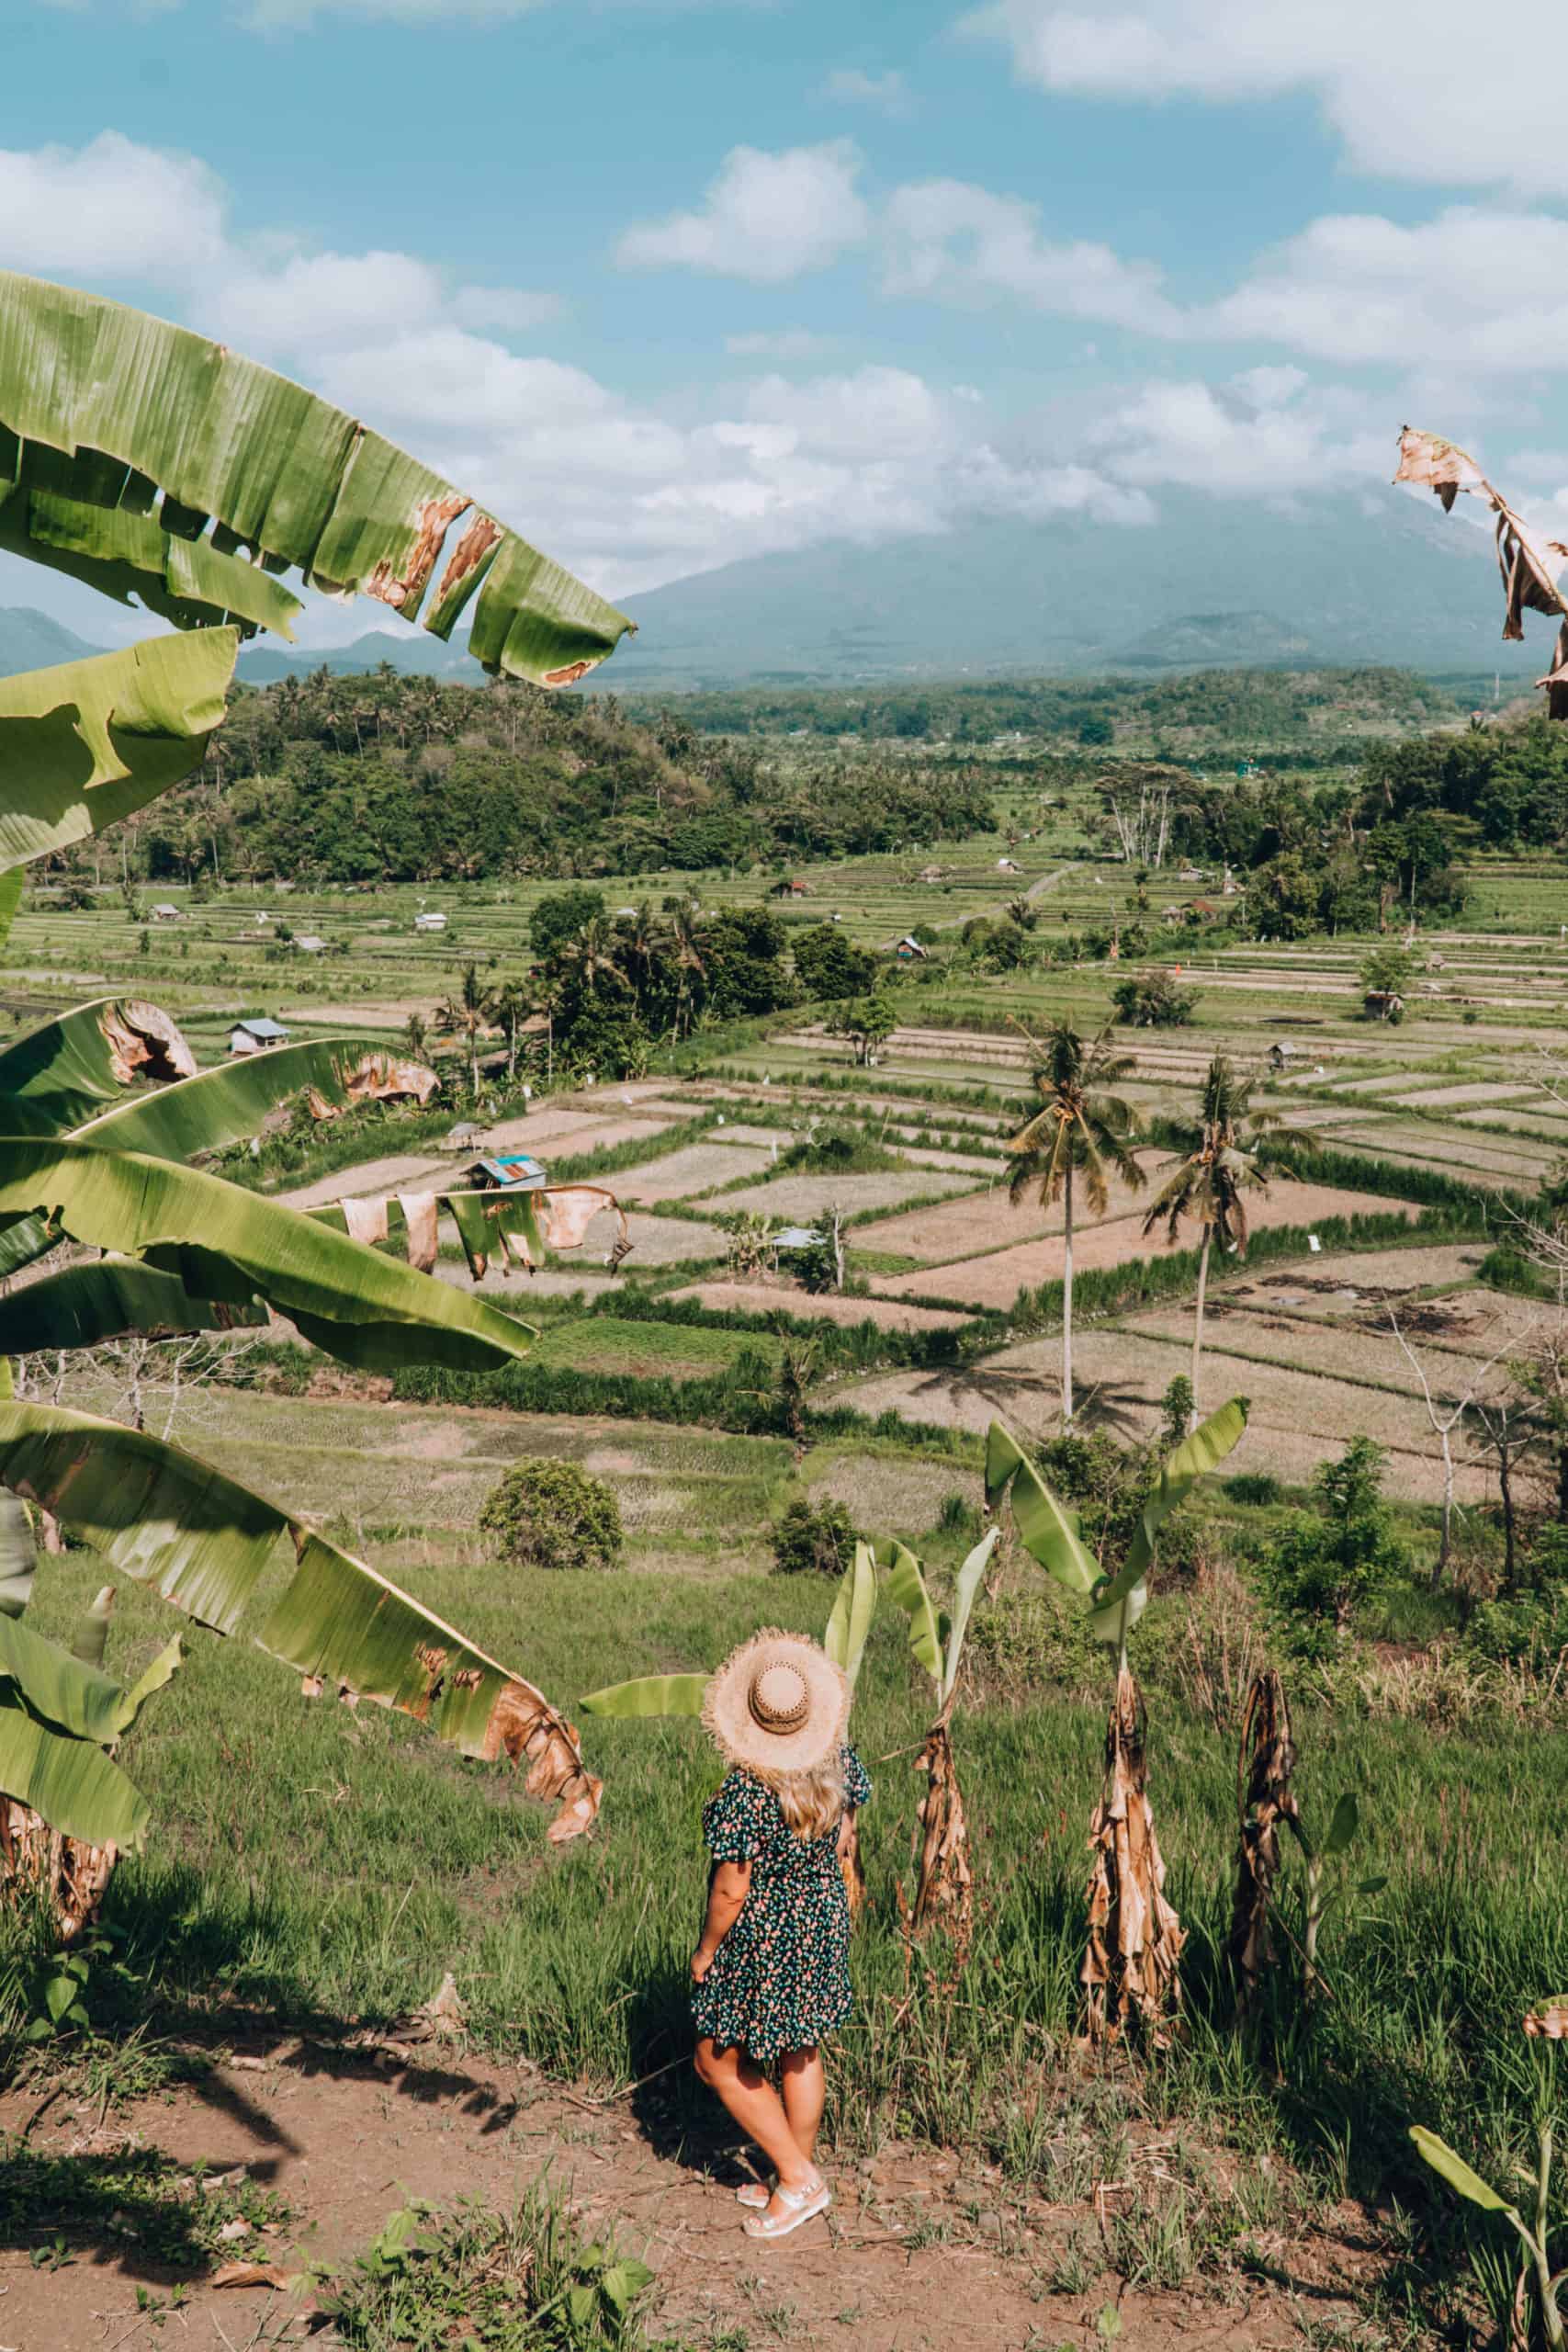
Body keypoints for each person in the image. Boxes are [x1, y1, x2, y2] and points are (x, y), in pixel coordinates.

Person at [690, 1629, 873, 2243]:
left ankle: (797, 2181)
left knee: (714, 2059)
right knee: (800, 2047)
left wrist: (707, 1950)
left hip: (765, 1933)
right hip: (821, 1918)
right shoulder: (839, 1761)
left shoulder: (747, 1790)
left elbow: (730, 1890)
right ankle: (790, 2173)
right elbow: (845, 1836)